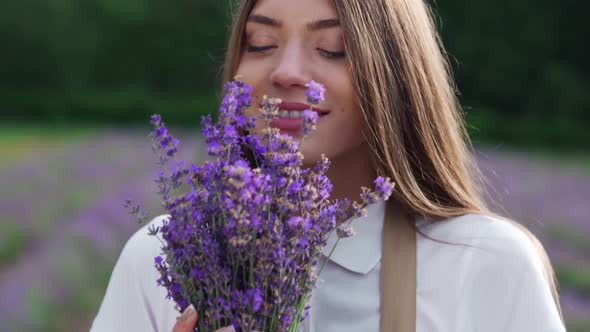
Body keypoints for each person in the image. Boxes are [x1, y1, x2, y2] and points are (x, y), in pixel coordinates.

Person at [90, 0, 566, 331]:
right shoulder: (169, 255)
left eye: (332, 48)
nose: (287, 71)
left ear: (395, 74)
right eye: (259, 43)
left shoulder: (482, 264)